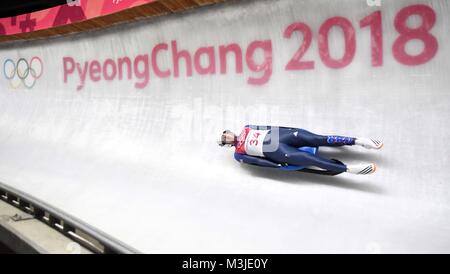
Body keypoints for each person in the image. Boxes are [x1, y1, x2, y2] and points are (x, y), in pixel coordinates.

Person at [218, 125, 383, 175]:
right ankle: (347, 169)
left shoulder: (247, 127)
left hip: (283, 135)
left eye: (227, 134)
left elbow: (270, 126)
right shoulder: (238, 154)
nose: (228, 136)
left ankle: (358, 141)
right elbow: (256, 162)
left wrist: (291, 128)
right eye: (225, 138)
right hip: (278, 152)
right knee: (309, 159)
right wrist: (277, 166)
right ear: (226, 144)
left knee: (318, 139)